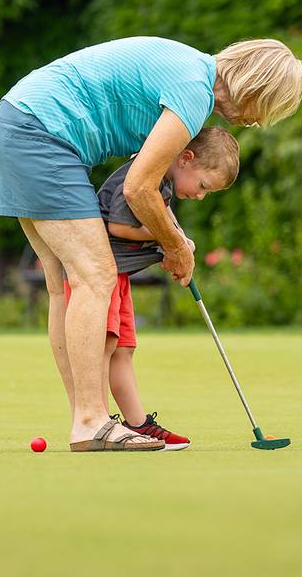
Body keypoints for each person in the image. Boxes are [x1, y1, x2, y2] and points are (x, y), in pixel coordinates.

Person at [0, 37, 302, 451]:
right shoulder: (194, 90)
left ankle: (88, 419)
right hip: (40, 134)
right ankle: (90, 421)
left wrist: (171, 240)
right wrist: (176, 246)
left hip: (17, 122)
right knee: (95, 275)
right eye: (265, 109)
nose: (256, 122)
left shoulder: (190, 71)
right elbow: (139, 188)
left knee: (61, 282)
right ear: (255, 87)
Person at [76, 126, 240, 451]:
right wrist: (165, 241)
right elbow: (118, 225)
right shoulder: (143, 177)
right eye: (203, 185)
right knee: (105, 346)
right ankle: (97, 422)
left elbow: (163, 224)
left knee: (123, 349)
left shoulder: (163, 184)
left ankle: (138, 425)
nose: (200, 194)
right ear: (186, 159)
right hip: (98, 271)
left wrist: (177, 241)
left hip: (117, 274)